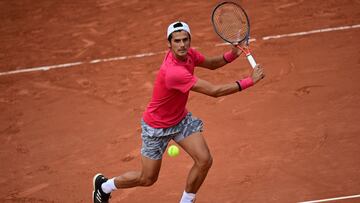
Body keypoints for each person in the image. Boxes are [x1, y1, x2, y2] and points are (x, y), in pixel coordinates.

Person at [92, 21, 264, 203]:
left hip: (180, 120)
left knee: (204, 160)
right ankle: (104, 186)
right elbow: (214, 91)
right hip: (156, 127)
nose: (181, 45)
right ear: (169, 43)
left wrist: (234, 53)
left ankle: (186, 201)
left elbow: (212, 64)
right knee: (147, 178)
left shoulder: (189, 54)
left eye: (185, 40)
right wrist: (249, 81)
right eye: (177, 41)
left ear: (189, 41)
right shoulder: (173, 72)